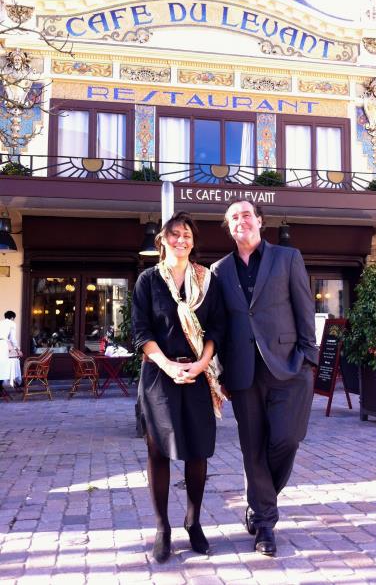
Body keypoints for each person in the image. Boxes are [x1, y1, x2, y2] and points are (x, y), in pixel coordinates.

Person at [211, 200, 318, 557]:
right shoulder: (219, 270)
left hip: (289, 367)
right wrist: (222, 371)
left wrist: (309, 359)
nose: (241, 221)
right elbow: (221, 327)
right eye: (233, 218)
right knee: (252, 448)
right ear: (229, 228)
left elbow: (305, 309)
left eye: (246, 214)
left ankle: (260, 498)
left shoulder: (288, 258)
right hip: (243, 374)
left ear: (259, 221)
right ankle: (264, 524)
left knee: (287, 439)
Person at [131, 211, 225, 563]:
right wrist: (169, 365)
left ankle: (193, 521)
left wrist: (201, 365)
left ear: (193, 241)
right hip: (159, 374)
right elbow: (142, 332)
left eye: (186, 234)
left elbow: (217, 327)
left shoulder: (207, 280)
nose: (181, 240)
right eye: (174, 234)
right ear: (162, 241)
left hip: (198, 374)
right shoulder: (147, 281)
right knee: (158, 451)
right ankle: (162, 528)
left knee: (198, 452)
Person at [0, 311, 23, 393]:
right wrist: (17, 349)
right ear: (13, 318)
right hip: (2, 345)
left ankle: (1, 388)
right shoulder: (12, 323)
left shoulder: (1, 322)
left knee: (1, 366)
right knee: (3, 366)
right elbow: (12, 338)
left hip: (3, 343)